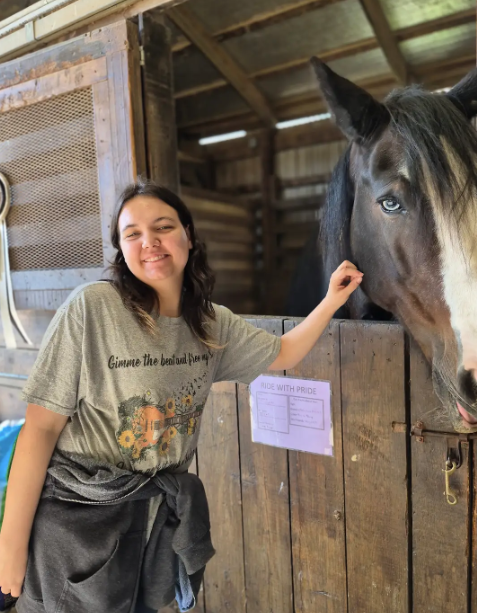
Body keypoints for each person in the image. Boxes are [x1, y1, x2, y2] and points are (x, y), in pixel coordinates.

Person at [0, 180, 363, 613]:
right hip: (80, 520)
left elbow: (283, 353)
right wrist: (10, 547)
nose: (149, 242)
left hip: (155, 518)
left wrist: (331, 299)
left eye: (163, 226)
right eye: (132, 233)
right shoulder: (92, 309)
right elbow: (39, 429)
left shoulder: (211, 324)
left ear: (188, 235)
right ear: (121, 248)